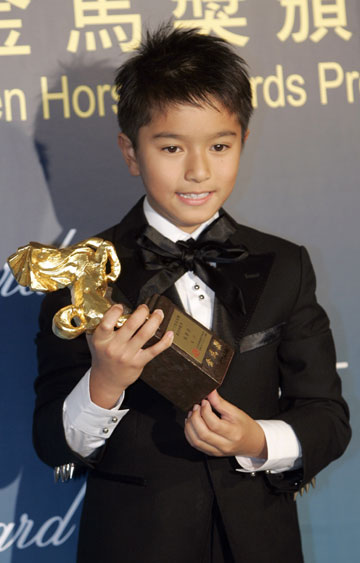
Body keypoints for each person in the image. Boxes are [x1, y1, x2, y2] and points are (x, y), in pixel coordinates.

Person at [33, 25, 351, 563]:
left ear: (242, 144)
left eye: (219, 145)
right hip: (133, 544)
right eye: (172, 147)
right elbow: (51, 443)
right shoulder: (82, 273)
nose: (199, 170)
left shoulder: (286, 265)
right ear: (131, 151)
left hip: (261, 542)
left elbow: (327, 418)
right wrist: (104, 384)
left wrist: (258, 442)